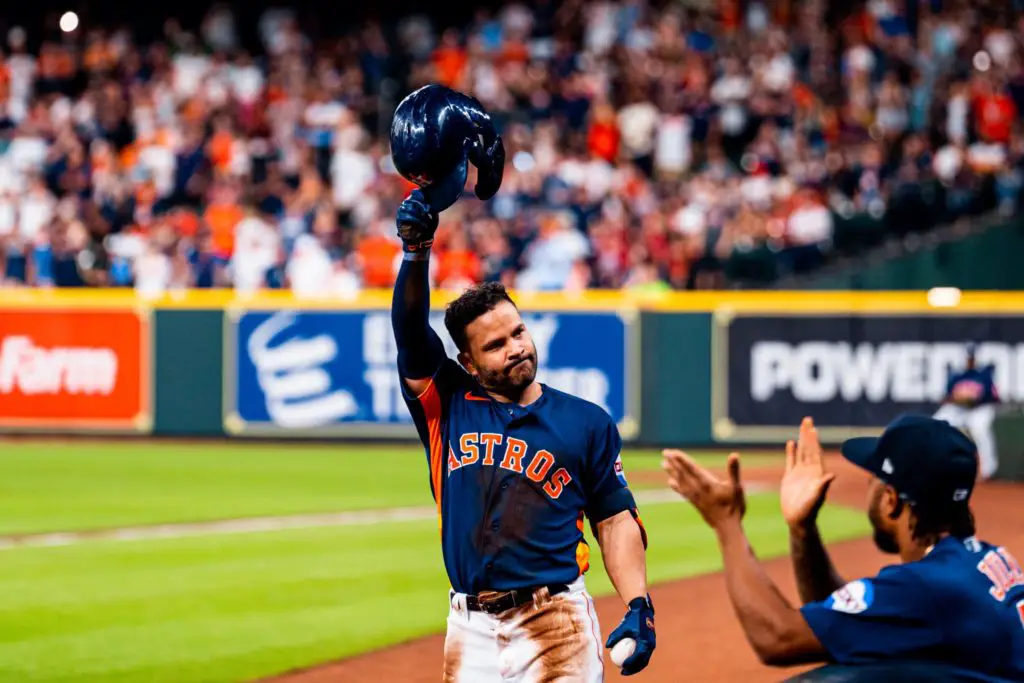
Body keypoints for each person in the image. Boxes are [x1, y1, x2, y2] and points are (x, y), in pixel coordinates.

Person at [391, 195, 654, 678]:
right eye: (495, 345)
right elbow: (409, 335)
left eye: (518, 332)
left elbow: (614, 519)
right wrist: (415, 253)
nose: (516, 349)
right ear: (468, 364)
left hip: (555, 622)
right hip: (467, 627)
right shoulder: (447, 404)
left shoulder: (586, 422)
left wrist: (639, 604)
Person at [662, 415, 1024, 682]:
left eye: (873, 479)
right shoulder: (978, 560)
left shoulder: (927, 588)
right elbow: (852, 625)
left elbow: (777, 638)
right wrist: (803, 532)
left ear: (891, 500)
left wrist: (726, 522)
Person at [935, 344, 1001, 480]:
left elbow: (992, 396)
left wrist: (971, 398)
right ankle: (935, 463)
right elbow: (946, 396)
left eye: (972, 357)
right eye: (968, 357)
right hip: (960, 409)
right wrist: (957, 399)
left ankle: (988, 469)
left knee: (980, 429)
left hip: (979, 409)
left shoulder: (984, 375)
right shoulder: (956, 375)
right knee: (937, 422)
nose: (970, 360)